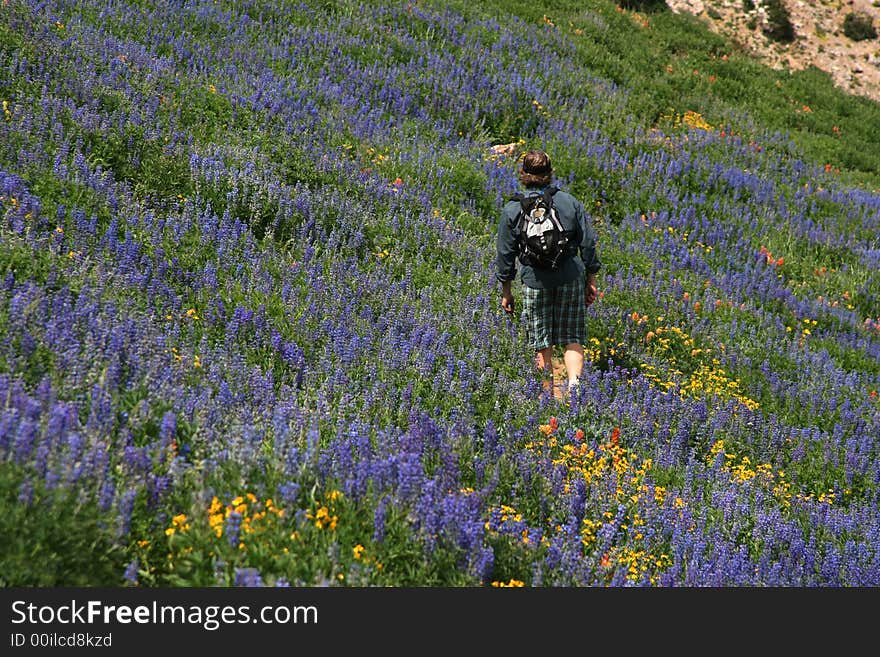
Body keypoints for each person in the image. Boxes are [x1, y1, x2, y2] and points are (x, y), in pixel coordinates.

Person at [495, 149, 600, 392]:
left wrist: (506, 290)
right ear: (550, 174)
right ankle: (574, 388)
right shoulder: (569, 202)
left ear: (523, 174)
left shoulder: (513, 210)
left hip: (535, 281)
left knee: (541, 341)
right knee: (572, 336)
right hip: (570, 277)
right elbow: (588, 243)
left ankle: (547, 396)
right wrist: (591, 277)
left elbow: (505, 254)